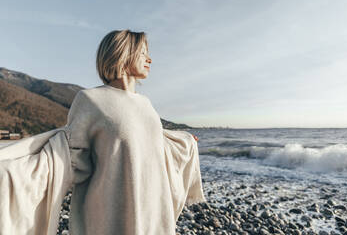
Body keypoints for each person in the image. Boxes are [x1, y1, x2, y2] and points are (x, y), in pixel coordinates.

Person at [0, 29, 206, 235]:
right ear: (123, 53)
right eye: (143, 52)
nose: (149, 59)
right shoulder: (90, 100)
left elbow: (153, 145)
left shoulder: (146, 104)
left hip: (150, 213)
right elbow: (69, 157)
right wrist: (13, 172)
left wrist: (186, 141)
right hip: (106, 216)